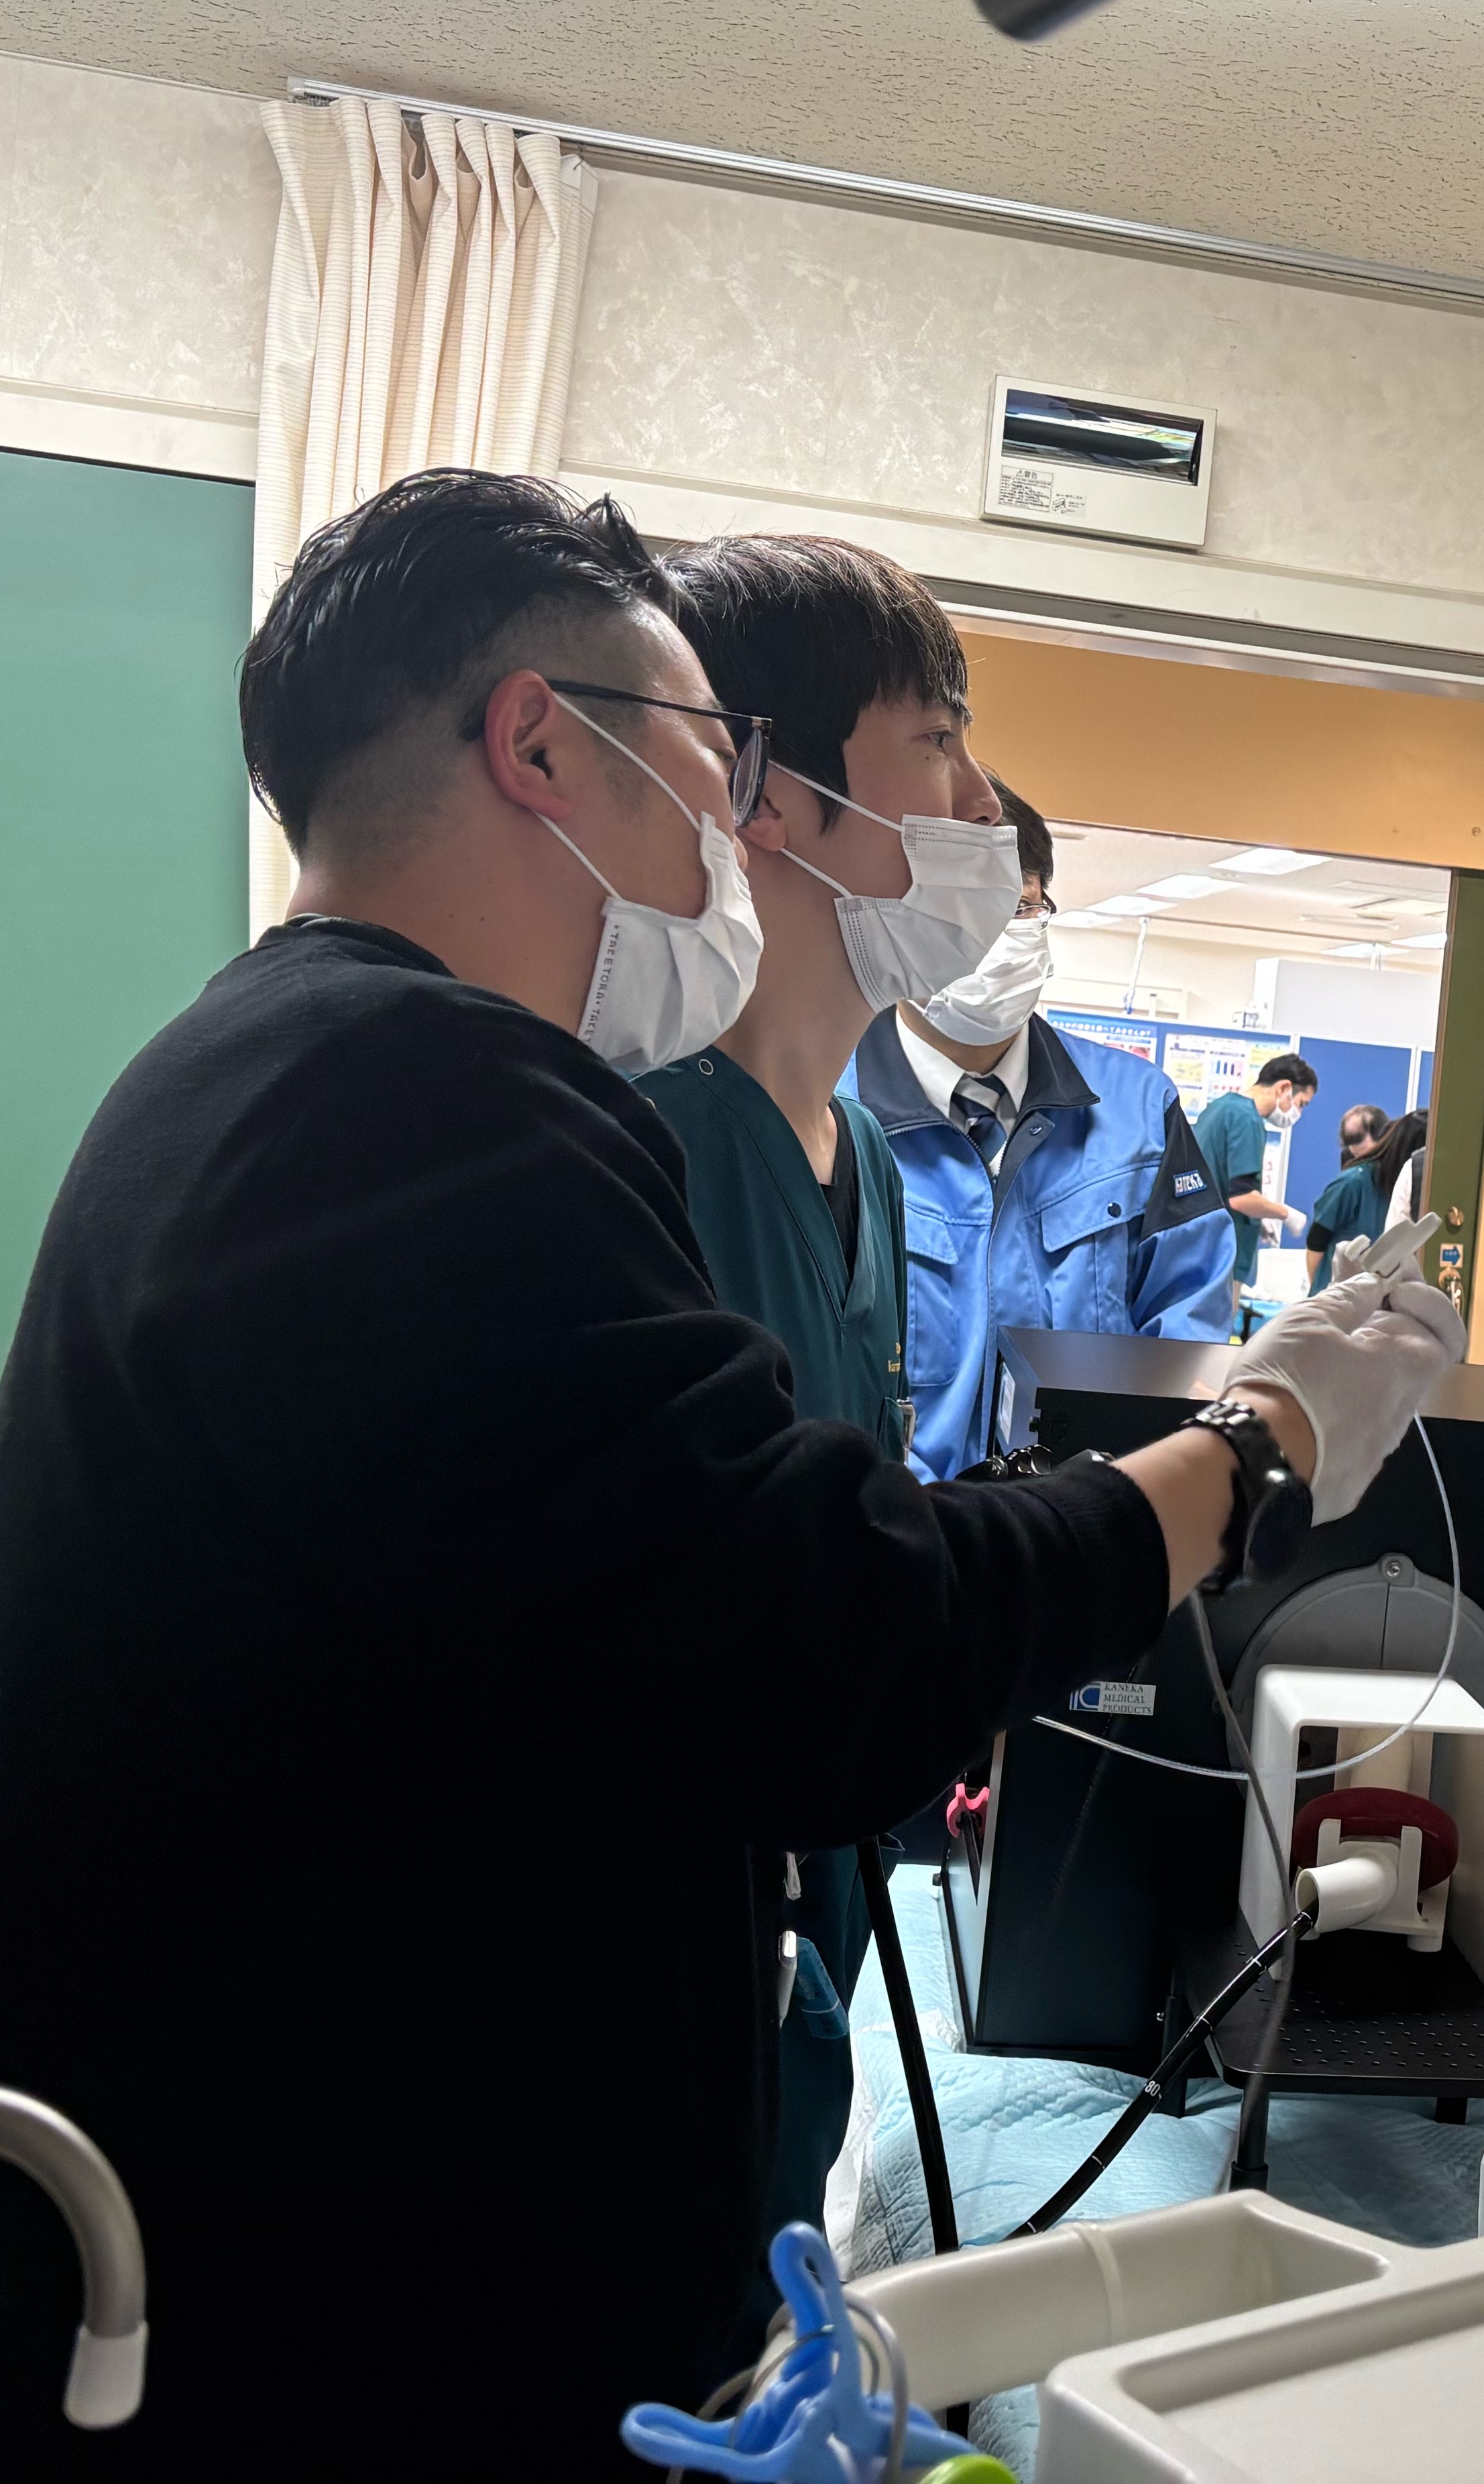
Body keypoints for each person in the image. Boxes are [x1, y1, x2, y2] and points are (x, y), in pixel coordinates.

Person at [0, 469, 1463, 2483]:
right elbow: (827, 1639)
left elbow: (638, 1629)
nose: (731, 825)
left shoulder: (265, 1070)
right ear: (540, 745)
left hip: (302, 2248)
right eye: (709, 759)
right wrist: (1255, 1450)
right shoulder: (412, 1100)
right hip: (303, 2328)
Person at [623, 530, 1013, 2326]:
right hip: (663, 1996)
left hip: (811, 1961)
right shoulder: (642, 1147)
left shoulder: (861, 1163)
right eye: (937, 743)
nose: (982, 804)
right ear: (768, 793)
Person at [851, 776, 1237, 1480]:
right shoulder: (828, 1111)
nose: (991, 936)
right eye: (958, 910)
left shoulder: (1137, 1108)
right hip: (893, 1527)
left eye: (1019, 906)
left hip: (1083, 1522)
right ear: (895, 919)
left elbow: (1188, 1338)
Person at [1190, 1050, 1319, 1312]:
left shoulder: (1220, 1108)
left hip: (1199, 1247)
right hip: (1221, 1255)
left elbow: (1220, 1179)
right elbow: (1241, 1198)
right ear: (1284, 1088)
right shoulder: (1247, 1119)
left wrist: (1258, 1219)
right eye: (1301, 1104)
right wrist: (1286, 1214)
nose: (1298, 1112)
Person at [1302, 1104, 1394, 1276]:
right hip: (1341, 1283)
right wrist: (1318, 1287)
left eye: (1358, 1138)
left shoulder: (1392, 1179)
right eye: (1350, 1141)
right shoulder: (1351, 1183)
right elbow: (1317, 1239)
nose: (1353, 1149)